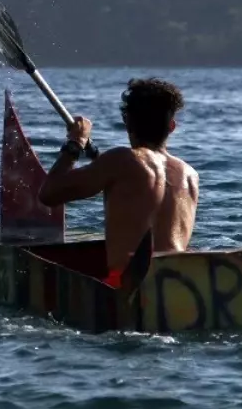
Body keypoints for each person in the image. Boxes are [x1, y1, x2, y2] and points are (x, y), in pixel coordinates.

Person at [37, 78, 199, 288]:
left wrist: (75, 142)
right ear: (172, 126)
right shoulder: (190, 175)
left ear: (127, 122)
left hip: (129, 286)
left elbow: (49, 193)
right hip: (181, 286)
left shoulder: (121, 160)